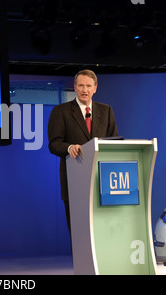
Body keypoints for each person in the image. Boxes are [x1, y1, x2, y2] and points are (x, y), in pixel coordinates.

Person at [48, 69, 118, 236]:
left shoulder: (106, 111)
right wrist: (68, 147)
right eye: (80, 85)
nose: (84, 90)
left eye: (88, 86)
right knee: (79, 234)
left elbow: (114, 142)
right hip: (74, 182)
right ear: (74, 87)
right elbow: (54, 144)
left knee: (102, 233)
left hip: (102, 183)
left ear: (95, 88)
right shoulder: (61, 111)